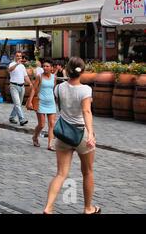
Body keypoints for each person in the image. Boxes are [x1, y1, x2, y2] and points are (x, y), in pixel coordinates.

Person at [43, 57, 98, 214]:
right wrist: (91, 134)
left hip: (63, 134)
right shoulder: (85, 90)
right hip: (81, 134)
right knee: (87, 172)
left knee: (60, 174)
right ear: (83, 71)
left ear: (66, 70)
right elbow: (86, 111)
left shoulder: (58, 88)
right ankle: (88, 208)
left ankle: (48, 207)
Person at [27, 59, 57, 150]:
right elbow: (34, 89)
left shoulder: (54, 77)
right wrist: (30, 101)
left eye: (47, 66)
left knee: (52, 124)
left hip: (51, 103)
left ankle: (50, 144)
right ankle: (35, 137)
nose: (45, 67)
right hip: (41, 102)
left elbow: (53, 89)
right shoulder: (39, 76)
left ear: (51, 68)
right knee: (41, 124)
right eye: (44, 66)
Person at [8, 51, 33, 126]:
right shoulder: (12, 64)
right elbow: (9, 70)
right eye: (17, 56)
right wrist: (17, 64)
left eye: (20, 56)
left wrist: (30, 83)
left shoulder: (22, 66)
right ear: (14, 57)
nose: (19, 57)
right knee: (18, 104)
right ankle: (21, 119)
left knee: (18, 104)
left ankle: (12, 117)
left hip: (22, 87)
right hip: (14, 86)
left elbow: (25, 76)